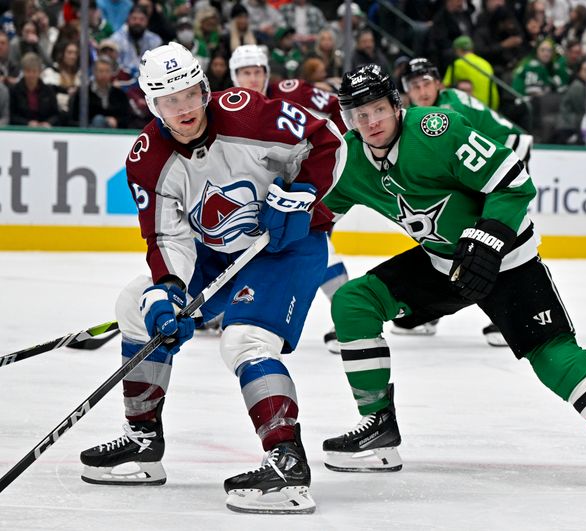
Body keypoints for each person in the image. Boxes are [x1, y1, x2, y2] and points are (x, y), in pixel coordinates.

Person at [320, 64, 586, 499]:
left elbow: (513, 179)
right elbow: (315, 213)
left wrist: (488, 237)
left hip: (508, 261)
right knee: (353, 303)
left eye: (378, 110)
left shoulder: (435, 129)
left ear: (396, 106)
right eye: (358, 115)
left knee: (551, 355)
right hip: (443, 264)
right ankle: (379, 430)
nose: (370, 123)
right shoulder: (348, 160)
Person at [78, 42, 346, 514]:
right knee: (135, 305)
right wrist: (170, 290)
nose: (183, 108)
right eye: (169, 100)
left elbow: (327, 140)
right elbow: (167, 236)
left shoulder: (249, 115)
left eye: (190, 93)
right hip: (215, 257)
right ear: (152, 105)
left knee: (243, 340)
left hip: (285, 246)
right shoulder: (147, 159)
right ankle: (143, 442)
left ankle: (286, 462)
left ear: (205, 87)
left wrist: (302, 193)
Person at [398, 56, 534, 346]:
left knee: (490, 242)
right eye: (414, 85)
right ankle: (434, 310)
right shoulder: (423, 113)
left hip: (508, 162)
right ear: (406, 90)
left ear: (438, 84)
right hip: (489, 166)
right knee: (451, 238)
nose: (421, 91)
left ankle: (508, 317)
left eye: (426, 83)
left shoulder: (449, 108)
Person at [229, 44, 349, 353]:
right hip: (260, 194)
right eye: (245, 72)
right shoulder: (225, 110)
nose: (252, 78)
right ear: (234, 75)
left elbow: (340, 106)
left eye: (257, 72)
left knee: (311, 239)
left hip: (303, 186)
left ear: (267, 73)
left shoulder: (289, 90)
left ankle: (349, 316)